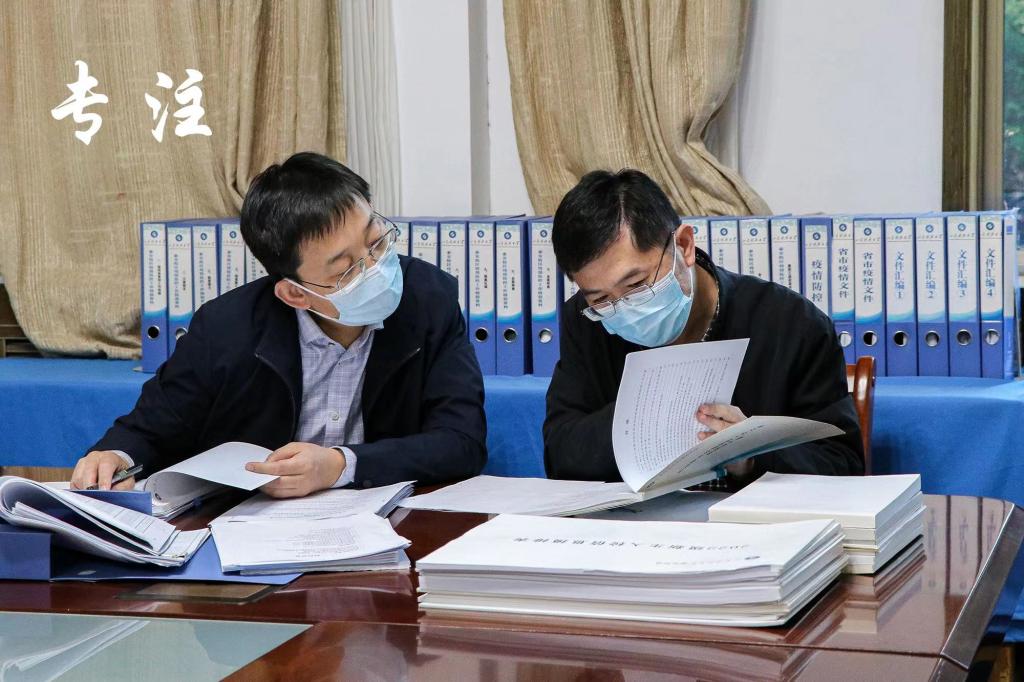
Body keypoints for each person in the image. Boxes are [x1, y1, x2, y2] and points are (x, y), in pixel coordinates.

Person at [71, 152, 486, 497]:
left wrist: (340, 465)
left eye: (375, 240)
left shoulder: (429, 300)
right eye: (345, 270)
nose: (375, 268)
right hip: (250, 528)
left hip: (386, 522)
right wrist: (114, 457)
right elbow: (149, 429)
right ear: (295, 294)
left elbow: (461, 441)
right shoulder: (225, 328)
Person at [544, 169, 863, 488]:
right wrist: (635, 419)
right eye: (601, 299)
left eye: (637, 285)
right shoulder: (587, 322)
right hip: (639, 518)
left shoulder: (791, 324)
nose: (624, 309)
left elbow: (842, 464)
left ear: (684, 246)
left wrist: (752, 456)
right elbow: (561, 453)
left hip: (748, 517)